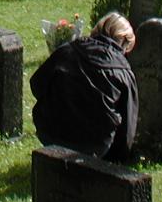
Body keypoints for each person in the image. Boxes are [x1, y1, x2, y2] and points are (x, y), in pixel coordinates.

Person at [29, 11, 138, 162]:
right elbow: (127, 128)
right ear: (125, 42)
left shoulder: (68, 50)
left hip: (51, 132)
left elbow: (37, 84)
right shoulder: (124, 72)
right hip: (94, 144)